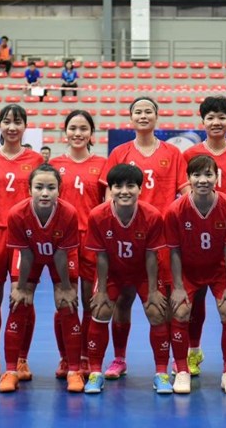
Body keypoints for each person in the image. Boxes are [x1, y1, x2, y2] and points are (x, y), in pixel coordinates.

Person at [99, 97, 189, 380]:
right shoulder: (119, 152)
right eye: (138, 111)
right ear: (130, 117)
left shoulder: (173, 153)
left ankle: (171, 363)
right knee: (122, 301)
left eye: (148, 111)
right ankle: (119, 358)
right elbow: (107, 195)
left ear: (157, 116)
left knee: (160, 303)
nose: (143, 115)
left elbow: (185, 191)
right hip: (125, 238)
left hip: (159, 239)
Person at [83, 164, 170, 394]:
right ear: (110, 189)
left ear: (140, 189)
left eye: (130, 186)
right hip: (112, 271)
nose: (124, 191)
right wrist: (101, 290)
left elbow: (152, 255)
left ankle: (161, 372)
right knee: (100, 310)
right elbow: (101, 256)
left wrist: (153, 291)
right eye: (118, 186)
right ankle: (96, 371)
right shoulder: (98, 215)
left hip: (143, 271)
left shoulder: (152, 215)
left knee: (156, 310)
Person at [0, 104, 45, 383]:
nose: (12, 127)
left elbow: (42, 196)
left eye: (17, 122)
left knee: (22, 299)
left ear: (25, 126)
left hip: (25, 236)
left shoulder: (36, 159)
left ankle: (20, 360)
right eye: (7, 121)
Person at [165, 155, 226, 395]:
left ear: (216, 177)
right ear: (188, 179)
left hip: (219, 269)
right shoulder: (175, 210)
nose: (202, 180)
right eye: (197, 175)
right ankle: (181, 371)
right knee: (180, 309)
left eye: (208, 174)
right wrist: (178, 286)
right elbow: (174, 251)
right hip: (188, 269)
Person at [181, 96, 226, 377]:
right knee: (194, 298)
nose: (216, 122)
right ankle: (193, 352)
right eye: (210, 117)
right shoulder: (189, 154)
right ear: (203, 121)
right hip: (197, 237)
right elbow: (186, 194)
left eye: (221, 117)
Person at [1, 164, 84, 393]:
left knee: (67, 303)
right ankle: (11, 370)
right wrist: (22, 287)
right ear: (29, 189)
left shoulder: (68, 213)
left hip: (62, 254)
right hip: (30, 254)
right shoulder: (17, 213)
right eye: (39, 187)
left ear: (60, 190)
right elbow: (25, 254)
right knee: (19, 302)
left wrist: (66, 287)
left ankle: (73, 369)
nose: (45, 192)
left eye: (51, 187)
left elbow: (61, 253)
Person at [49, 110, 107, 379]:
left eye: (83, 128)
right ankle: (66, 357)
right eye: (73, 128)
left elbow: (107, 206)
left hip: (93, 240)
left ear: (91, 134)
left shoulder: (102, 164)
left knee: (89, 301)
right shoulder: (54, 165)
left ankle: (85, 356)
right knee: (65, 301)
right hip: (64, 241)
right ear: (65, 132)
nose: (78, 133)